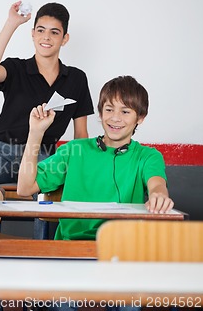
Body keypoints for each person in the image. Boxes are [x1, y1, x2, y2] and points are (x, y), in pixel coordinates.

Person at [17, 75, 173, 310]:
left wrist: (158, 194)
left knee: (129, 304)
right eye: (109, 109)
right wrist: (35, 133)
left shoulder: (148, 156)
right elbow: (25, 187)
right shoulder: (74, 150)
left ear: (140, 118)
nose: (115, 118)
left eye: (126, 111)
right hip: (71, 252)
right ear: (100, 113)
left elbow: (156, 183)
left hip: (122, 254)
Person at [0, 1, 94, 186]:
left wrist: (80, 170)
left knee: (51, 194)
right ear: (32, 34)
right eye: (40, 30)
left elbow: (81, 132)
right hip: (2, 151)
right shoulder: (16, 68)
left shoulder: (76, 78)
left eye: (54, 32)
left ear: (64, 38)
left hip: (43, 155)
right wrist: (11, 23)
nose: (46, 37)